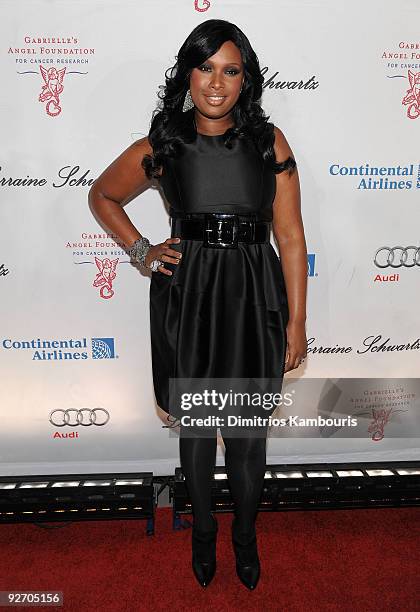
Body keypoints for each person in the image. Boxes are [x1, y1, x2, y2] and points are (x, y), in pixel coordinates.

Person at [88, 19, 307, 590]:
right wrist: (141, 250)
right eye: (206, 68)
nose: (216, 83)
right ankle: (205, 530)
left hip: (255, 295)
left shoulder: (268, 142)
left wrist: (298, 322)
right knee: (197, 428)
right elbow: (103, 194)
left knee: (245, 431)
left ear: (246, 79)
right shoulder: (165, 143)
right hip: (189, 295)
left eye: (230, 71)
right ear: (188, 72)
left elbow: (291, 238)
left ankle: (245, 535)